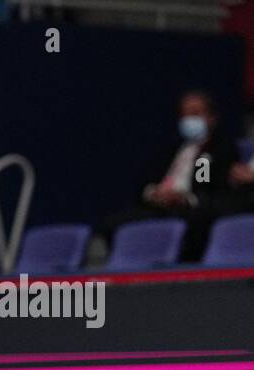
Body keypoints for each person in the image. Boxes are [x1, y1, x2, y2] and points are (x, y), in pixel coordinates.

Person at [97, 90, 238, 262]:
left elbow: (204, 186)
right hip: (159, 206)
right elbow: (146, 181)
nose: (188, 120)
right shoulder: (172, 149)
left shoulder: (213, 151)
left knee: (196, 221)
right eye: (184, 115)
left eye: (195, 114)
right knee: (113, 223)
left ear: (211, 118)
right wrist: (153, 193)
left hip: (186, 208)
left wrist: (183, 198)